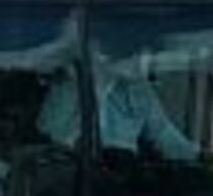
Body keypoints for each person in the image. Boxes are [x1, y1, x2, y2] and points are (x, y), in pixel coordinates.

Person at [40, 62, 199, 162]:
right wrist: (98, 87)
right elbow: (50, 134)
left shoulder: (139, 89)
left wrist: (200, 156)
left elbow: (163, 133)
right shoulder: (68, 85)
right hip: (75, 174)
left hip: (123, 179)